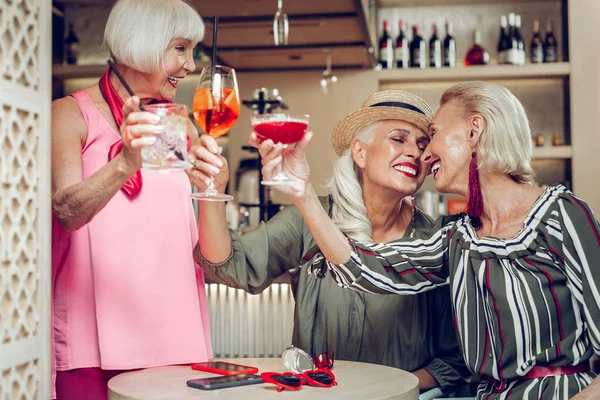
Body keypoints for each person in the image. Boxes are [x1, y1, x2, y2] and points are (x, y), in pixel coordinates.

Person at [259, 81, 600, 399]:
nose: (424, 155)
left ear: (474, 131)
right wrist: (302, 194)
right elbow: (367, 269)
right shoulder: (458, 237)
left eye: (432, 135)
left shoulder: (561, 215)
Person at [189, 90, 470, 394]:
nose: (415, 152)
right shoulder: (311, 221)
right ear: (360, 153)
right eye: (398, 139)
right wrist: (212, 192)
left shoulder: (435, 242)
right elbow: (228, 265)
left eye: (422, 144)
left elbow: (452, 361)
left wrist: (388, 389)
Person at [51, 1, 214, 398]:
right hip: (92, 341)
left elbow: (175, 223)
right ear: (142, 44)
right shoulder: (70, 115)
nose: (190, 65)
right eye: (180, 49)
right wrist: (125, 162)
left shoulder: (175, 123)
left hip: (173, 336)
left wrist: (211, 185)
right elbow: (66, 212)